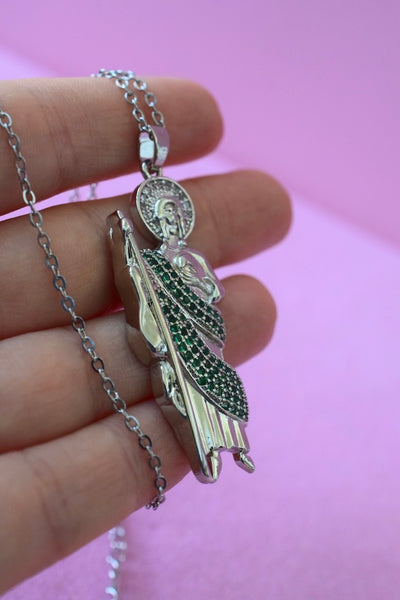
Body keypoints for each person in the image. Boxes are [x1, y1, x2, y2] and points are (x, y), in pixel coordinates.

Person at [0, 76, 291, 593]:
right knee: (187, 392)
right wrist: (134, 256)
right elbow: (145, 288)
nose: (172, 221)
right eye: (164, 216)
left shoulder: (191, 254)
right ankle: (209, 449)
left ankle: (235, 442)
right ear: (154, 220)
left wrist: (195, 284)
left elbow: (210, 289)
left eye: (177, 214)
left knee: (222, 382)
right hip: (176, 334)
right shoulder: (152, 259)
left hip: (203, 329)